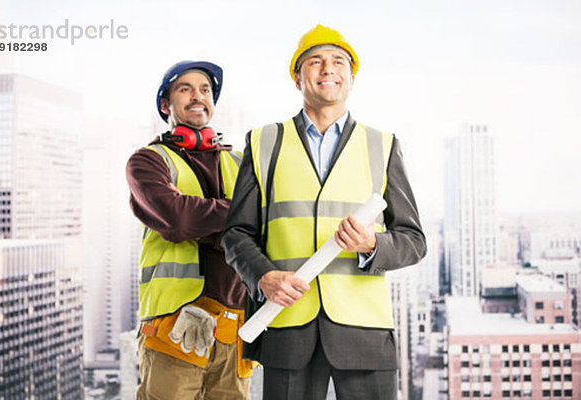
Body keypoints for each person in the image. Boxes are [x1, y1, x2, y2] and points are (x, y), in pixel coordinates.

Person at [221, 25, 427, 400]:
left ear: (351, 77)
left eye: (338, 62)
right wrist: (264, 276)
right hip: (287, 325)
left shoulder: (382, 144)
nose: (327, 69)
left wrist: (372, 245)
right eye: (315, 61)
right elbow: (236, 234)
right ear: (298, 78)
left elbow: (414, 240)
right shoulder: (264, 142)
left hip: (363, 328)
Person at [126, 60, 254, 400]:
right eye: (185, 89)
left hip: (234, 329)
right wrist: (237, 218)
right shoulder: (149, 161)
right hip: (174, 328)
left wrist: (205, 223)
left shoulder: (240, 163)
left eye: (205, 90)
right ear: (166, 105)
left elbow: (262, 225)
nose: (198, 96)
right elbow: (178, 219)